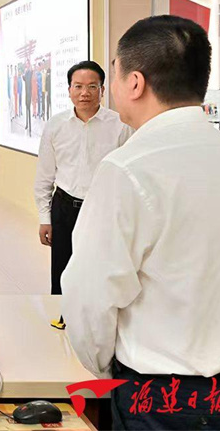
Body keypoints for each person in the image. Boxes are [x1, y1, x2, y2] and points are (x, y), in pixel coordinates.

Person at [63, 16, 220, 430]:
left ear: (135, 83)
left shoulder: (127, 169)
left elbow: (90, 299)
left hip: (160, 396)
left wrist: (106, 372)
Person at [34, 60, 132, 329]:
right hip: (64, 205)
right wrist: (45, 218)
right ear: (69, 90)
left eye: (92, 86)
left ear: (103, 90)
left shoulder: (120, 125)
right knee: (63, 266)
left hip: (102, 208)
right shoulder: (56, 125)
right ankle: (63, 318)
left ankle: (98, 323)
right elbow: (44, 176)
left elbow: (127, 172)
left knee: (101, 266)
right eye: (78, 86)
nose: (84, 93)